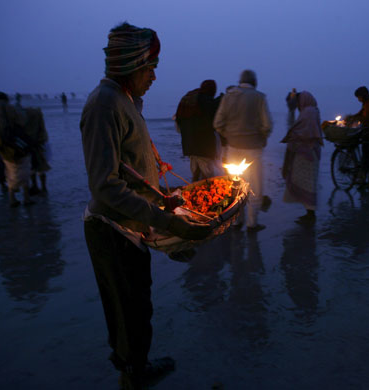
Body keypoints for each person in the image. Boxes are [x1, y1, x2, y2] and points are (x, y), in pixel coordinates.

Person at [80, 22, 212, 390]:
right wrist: (169, 223)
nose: (154, 76)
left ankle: (134, 365)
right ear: (131, 66)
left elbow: (128, 168)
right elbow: (105, 185)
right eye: (150, 68)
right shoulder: (104, 105)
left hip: (130, 227)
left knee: (136, 306)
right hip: (112, 230)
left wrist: (159, 189)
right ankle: (134, 375)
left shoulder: (126, 101)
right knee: (128, 310)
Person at [213, 69, 273, 232]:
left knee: (235, 185)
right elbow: (267, 125)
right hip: (253, 149)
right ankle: (252, 223)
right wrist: (262, 138)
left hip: (233, 148)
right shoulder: (259, 97)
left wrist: (228, 135)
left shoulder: (229, 96)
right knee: (255, 186)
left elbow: (218, 123)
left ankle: (236, 221)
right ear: (254, 82)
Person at [281, 90, 323, 225]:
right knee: (306, 183)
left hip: (307, 153)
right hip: (308, 153)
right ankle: (309, 213)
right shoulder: (311, 111)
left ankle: (310, 215)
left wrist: (293, 136)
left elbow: (302, 131)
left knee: (308, 183)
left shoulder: (309, 112)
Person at [174, 79, 223, 181]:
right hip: (203, 146)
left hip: (189, 144)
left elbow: (178, 120)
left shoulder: (190, 97)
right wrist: (222, 98)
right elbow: (214, 117)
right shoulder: (205, 100)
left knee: (196, 172)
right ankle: (204, 195)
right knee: (208, 177)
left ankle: (195, 193)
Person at [345, 86, 369, 184]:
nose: (358, 100)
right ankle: (366, 179)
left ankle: (366, 179)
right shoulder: (367, 103)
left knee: (368, 156)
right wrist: (351, 117)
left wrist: (355, 120)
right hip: (367, 131)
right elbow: (360, 114)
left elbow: (368, 119)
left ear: (363, 96)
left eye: (359, 97)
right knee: (367, 156)